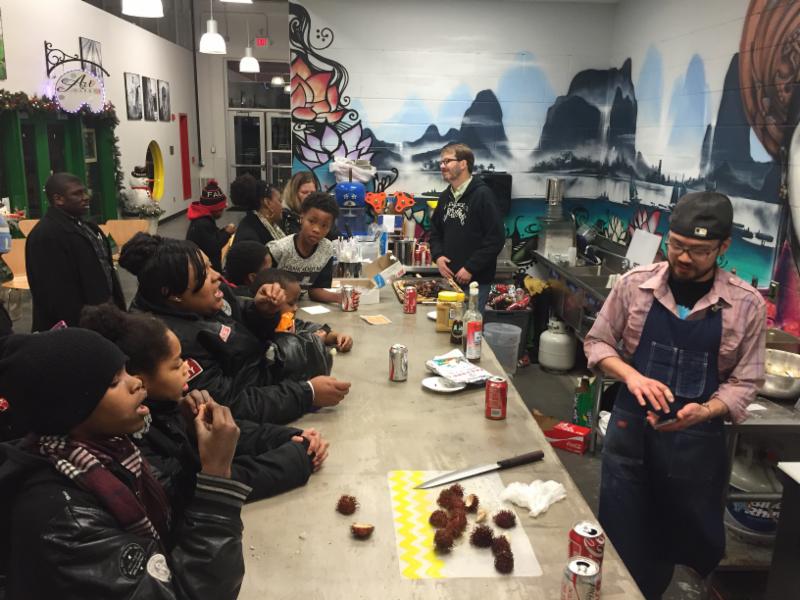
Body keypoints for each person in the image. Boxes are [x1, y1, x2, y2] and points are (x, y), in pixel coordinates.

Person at [583, 191, 766, 599]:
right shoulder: (635, 286)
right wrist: (631, 376)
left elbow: (746, 381)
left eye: (699, 251)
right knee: (620, 542)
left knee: (671, 547)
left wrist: (707, 410)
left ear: (723, 248)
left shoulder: (745, 305)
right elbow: (598, 344)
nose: (684, 258)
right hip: (631, 437)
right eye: (678, 245)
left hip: (694, 446)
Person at [0, 328, 248, 599]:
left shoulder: (112, 453)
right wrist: (217, 480)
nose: (137, 382)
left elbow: (174, 519)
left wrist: (196, 451)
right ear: (71, 408)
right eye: (114, 382)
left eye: (127, 371)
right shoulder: (66, 523)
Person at [79, 303, 328, 505]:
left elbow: (230, 433)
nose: (188, 368)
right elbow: (196, 488)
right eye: (177, 365)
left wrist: (289, 437)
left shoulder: (166, 407)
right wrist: (296, 458)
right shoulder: (129, 440)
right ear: (139, 381)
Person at [119, 233, 350, 425]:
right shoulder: (169, 343)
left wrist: (262, 311)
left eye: (211, 266)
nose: (217, 276)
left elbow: (235, 320)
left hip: (273, 378)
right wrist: (306, 394)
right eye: (203, 275)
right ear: (175, 295)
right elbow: (228, 405)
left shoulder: (211, 297)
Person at [25, 172, 125, 331]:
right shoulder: (45, 235)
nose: (85, 197)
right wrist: (79, 329)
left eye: (84, 192)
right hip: (76, 328)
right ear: (58, 199)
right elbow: (55, 293)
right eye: (77, 194)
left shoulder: (87, 226)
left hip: (103, 317)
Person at [430, 143, 505, 312]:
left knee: (469, 330)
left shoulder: (483, 195)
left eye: (447, 161)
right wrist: (438, 257)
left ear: (463, 164)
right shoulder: (445, 197)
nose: (442, 166)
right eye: (441, 162)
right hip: (449, 282)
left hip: (476, 283)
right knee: (449, 330)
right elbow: (435, 232)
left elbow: (496, 238)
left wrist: (471, 267)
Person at [268, 192, 358, 306]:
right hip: (274, 306)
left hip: (298, 307)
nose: (316, 229)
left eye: (324, 226)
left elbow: (315, 290)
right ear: (301, 218)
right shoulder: (279, 249)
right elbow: (263, 287)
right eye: (311, 221)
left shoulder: (327, 249)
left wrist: (340, 298)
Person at [251, 268, 354, 352]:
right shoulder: (257, 336)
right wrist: (312, 344)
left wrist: (335, 337)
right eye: (291, 303)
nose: (296, 308)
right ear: (270, 301)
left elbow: (307, 328)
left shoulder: (288, 323)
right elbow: (283, 357)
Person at [186, 180, 236, 272]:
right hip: (205, 270)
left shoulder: (202, 219)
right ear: (215, 209)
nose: (222, 212)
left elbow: (211, 237)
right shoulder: (203, 223)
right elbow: (214, 246)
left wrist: (223, 230)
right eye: (221, 209)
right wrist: (227, 232)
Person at [229, 173, 285, 246]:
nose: (282, 206)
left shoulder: (255, 224)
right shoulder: (250, 238)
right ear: (267, 203)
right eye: (279, 200)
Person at [280, 171, 317, 236]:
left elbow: (336, 236)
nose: (309, 196)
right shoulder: (285, 215)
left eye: (312, 193)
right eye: (304, 192)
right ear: (294, 193)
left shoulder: (318, 210)